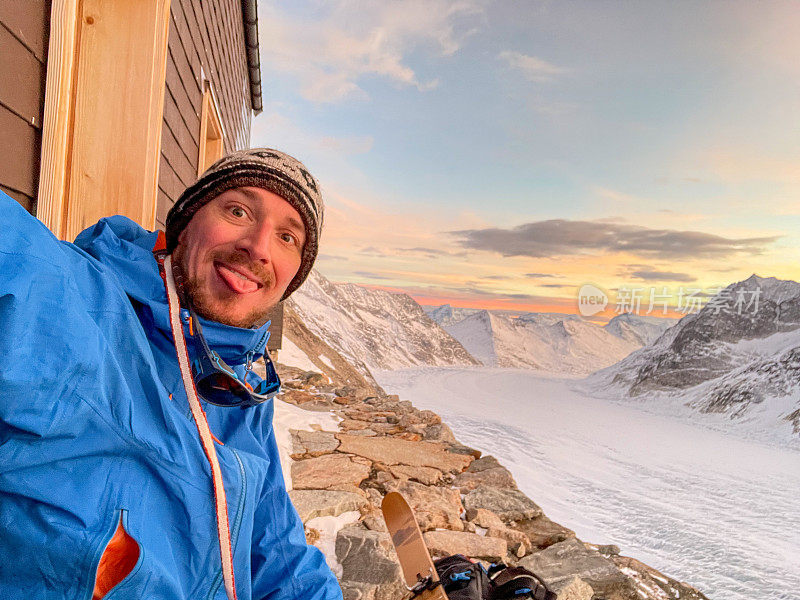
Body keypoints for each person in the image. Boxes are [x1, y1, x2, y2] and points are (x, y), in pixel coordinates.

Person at [0, 149, 342, 600]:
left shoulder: (239, 391)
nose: (258, 247)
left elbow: (276, 551)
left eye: (287, 238)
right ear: (185, 223)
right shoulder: (80, 304)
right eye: (238, 210)